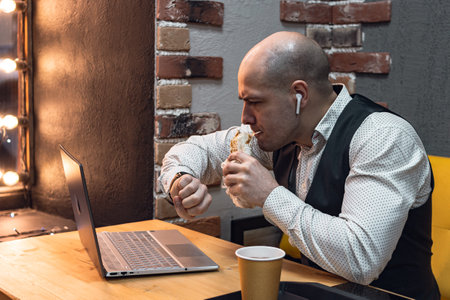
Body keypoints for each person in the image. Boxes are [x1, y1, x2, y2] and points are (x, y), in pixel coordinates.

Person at [158, 31, 440, 299]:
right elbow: (199, 150)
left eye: (255, 102)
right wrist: (180, 180)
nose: (245, 117)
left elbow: (361, 260)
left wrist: (269, 195)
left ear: (299, 96)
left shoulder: (383, 137)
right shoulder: (281, 137)